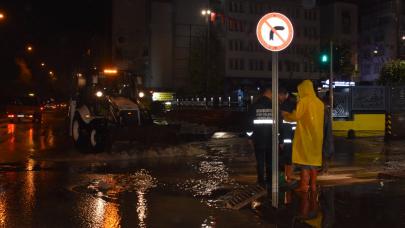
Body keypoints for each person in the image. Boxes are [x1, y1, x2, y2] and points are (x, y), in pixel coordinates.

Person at [282, 80, 324, 192]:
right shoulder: (319, 103)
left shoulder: (304, 101)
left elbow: (296, 116)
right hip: (317, 138)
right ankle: (313, 186)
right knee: (313, 164)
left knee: (305, 165)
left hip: (306, 137)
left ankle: (304, 187)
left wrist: (285, 116)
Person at [247, 87, 282, 187]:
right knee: (270, 161)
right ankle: (270, 181)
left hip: (258, 138)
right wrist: (279, 137)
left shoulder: (254, 106)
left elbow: (249, 122)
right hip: (272, 138)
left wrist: (250, 137)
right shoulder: (275, 106)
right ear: (269, 92)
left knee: (260, 161)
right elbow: (279, 123)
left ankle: (261, 181)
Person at [279, 88, 297, 185]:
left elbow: (284, 126)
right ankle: (288, 177)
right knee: (289, 158)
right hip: (291, 137)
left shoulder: (287, 104)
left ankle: (288, 177)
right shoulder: (293, 104)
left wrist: (281, 140)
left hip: (287, 138)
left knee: (287, 158)